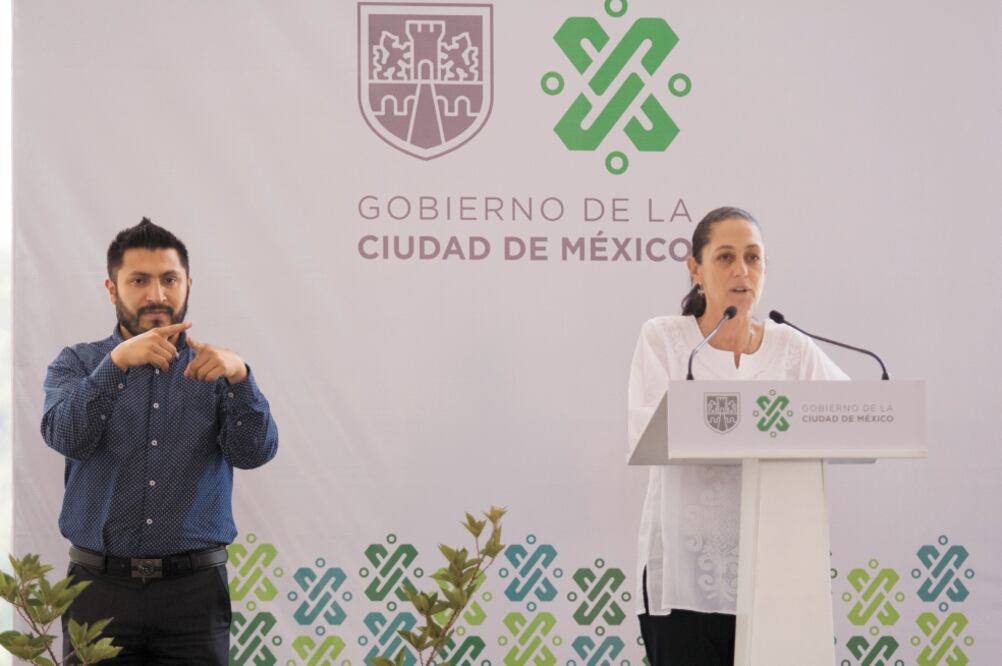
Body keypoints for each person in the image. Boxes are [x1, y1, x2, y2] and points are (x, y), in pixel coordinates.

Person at [41, 218, 279, 664]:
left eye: (169, 279)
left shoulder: (217, 369)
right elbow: (64, 435)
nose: (156, 294)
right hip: (98, 591)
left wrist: (242, 378)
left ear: (187, 284)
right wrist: (114, 366)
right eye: (139, 280)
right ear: (112, 289)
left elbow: (254, 453)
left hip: (194, 595)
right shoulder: (78, 363)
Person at [627, 207, 847, 665]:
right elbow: (646, 432)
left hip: (777, 572)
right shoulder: (665, 339)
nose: (741, 270)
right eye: (725, 257)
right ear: (695, 269)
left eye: (753, 257)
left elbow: (848, 415)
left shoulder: (792, 346)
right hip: (684, 579)